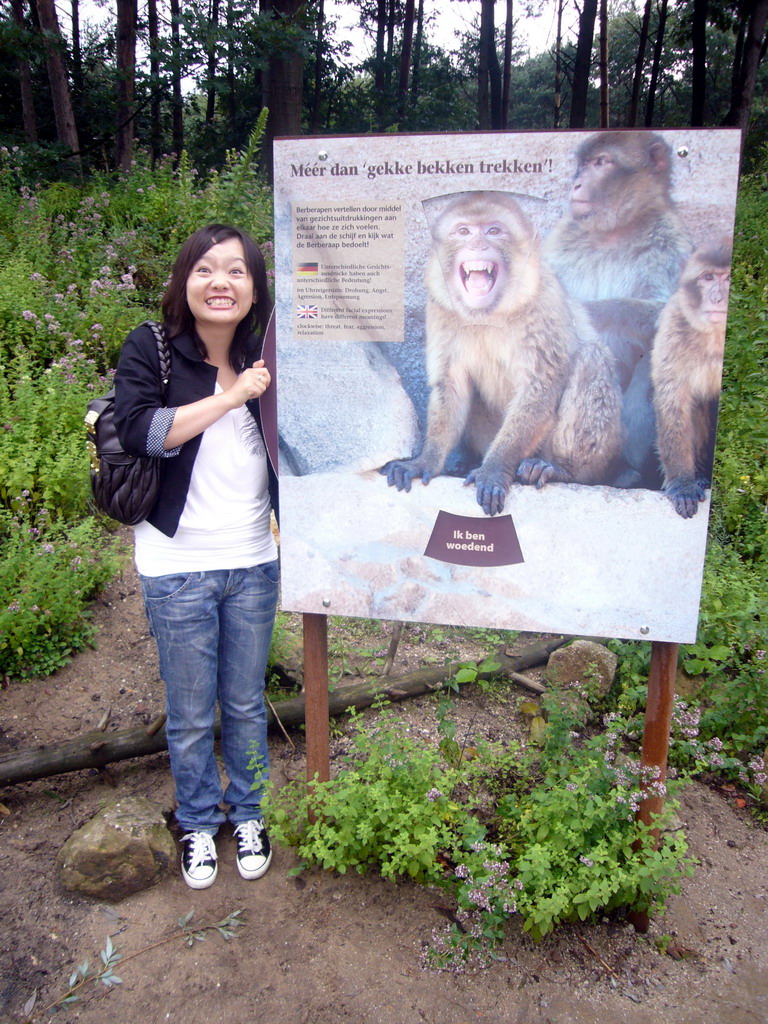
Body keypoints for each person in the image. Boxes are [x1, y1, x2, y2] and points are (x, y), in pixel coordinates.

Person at [114, 224, 278, 889]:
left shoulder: (267, 358)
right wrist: (230, 396)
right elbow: (142, 430)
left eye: (237, 271)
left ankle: (249, 813)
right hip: (177, 565)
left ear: (254, 288)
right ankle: (199, 823)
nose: (221, 282)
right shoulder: (151, 349)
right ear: (186, 280)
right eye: (207, 269)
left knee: (243, 702)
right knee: (188, 713)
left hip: (253, 562)